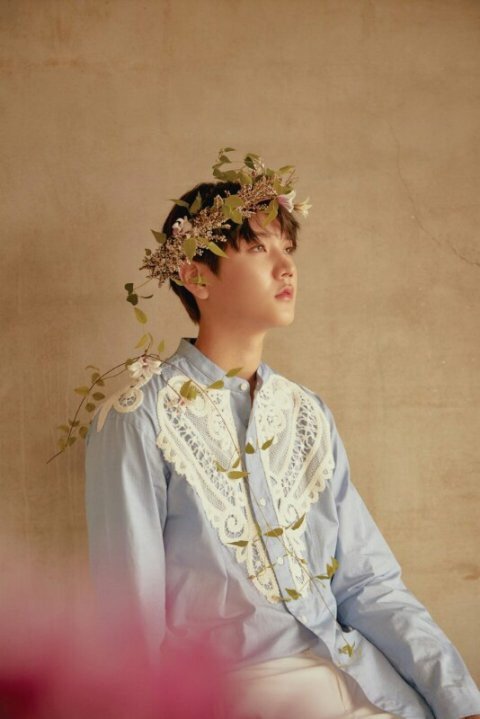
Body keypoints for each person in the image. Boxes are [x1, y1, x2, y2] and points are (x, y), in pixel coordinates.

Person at [85, 150, 480, 719]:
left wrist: (457, 699)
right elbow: (130, 623)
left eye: (288, 248)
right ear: (195, 276)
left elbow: (368, 585)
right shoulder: (137, 417)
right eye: (258, 249)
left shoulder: (307, 414)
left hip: (366, 681)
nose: (286, 267)